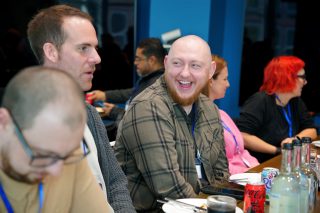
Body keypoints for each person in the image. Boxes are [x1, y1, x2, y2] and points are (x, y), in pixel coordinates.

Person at [27, 4, 135, 212]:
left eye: (95, 47)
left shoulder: (89, 114)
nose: (97, 58)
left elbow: (115, 182)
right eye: (83, 48)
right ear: (51, 51)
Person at [114, 35, 229, 211]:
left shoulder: (210, 109)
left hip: (202, 204)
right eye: (177, 63)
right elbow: (168, 187)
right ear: (166, 63)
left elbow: (221, 171)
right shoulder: (149, 107)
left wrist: (222, 203)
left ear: (210, 71)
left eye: (195, 65)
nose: (184, 73)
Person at [0, 66, 113, 212]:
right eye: (42, 154)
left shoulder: (65, 154)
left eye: (66, 156)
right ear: (4, 123)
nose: (56, 171)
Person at [235, 55, 317, 163]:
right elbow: (243, 136)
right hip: (261, 165)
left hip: (286, 161)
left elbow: (312, 130)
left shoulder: (295, 101)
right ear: (288, 77)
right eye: (302, 77)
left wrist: (295, 140)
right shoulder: (260, 101)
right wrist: (277, 151)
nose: (305, 82)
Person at [202, 55, 259, 175]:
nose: (228, 84)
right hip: (231, 181)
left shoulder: (222, 114)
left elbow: (241, 152)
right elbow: (217, 165)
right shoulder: (201, 119)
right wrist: (249, 174)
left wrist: (258, 170)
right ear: (211, 81)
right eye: (225, 79)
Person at [88, 37, 166, 122]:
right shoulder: (150, 79)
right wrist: (105, 95)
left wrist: (114, 111)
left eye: (138, 59)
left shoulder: (156, 88)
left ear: (151, 60)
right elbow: (132, 93)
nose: (135, 62)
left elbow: (140, 121)